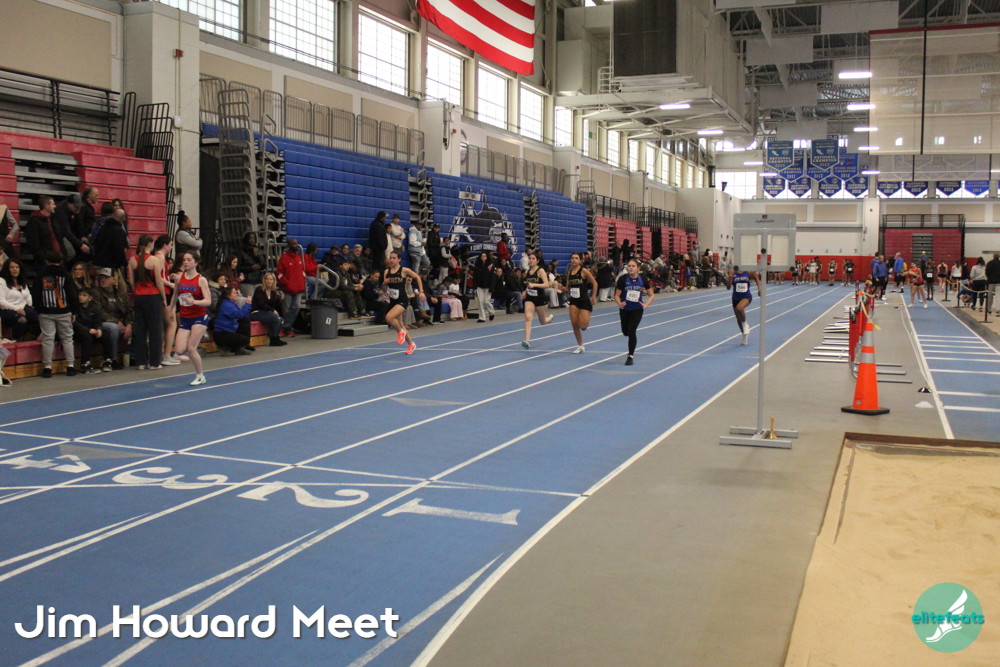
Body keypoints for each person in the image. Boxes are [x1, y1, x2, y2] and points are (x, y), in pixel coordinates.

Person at [30, 251, 77, 377]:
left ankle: (47, 367)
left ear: (46, 261)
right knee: (67, 338)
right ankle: (70, 366)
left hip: (46, 311)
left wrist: (38, 309)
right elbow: (71, 294)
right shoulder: (65, 275)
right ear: (60, 261)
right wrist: (74, 311)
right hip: (63, 311)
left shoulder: (42, 275)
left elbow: (36, 293)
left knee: (48, 339)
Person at [127, 234, 169, 370]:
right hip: (153, 297)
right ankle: (154, 362)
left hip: (139, 297)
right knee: (155, 329)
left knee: (140, 330)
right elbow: (159, 281)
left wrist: (137, 291)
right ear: (150, 244)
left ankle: (141, 361)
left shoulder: (132, 260)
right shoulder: (154, 260)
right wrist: (163, 297)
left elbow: (131, 281)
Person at [174, 251, 211, 385]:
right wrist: (170, 307)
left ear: (195, 262)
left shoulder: (201, 280)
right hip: (185, 317)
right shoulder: (179, 278)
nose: (185, 262)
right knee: (179, 350)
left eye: (189, 260)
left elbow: (208, 301)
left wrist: (194, 302)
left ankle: (200, 376)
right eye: (184, 260)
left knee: (191, 348)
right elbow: (175, 294)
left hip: (199, 316)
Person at [615, 258, 655, 364]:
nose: (631, 268)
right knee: (626, 332)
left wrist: (646, 305)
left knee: (632, 331)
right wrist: (619, 303)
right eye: (629, 266)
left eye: (633, 266)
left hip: (637, 309)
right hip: (625, 309)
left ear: (638, 268)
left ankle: (630, 356)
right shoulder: (623, 279)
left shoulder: (643, 279)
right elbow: (617, 295)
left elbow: (651, 295)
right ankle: (628, 338)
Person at [382, 251, 423, 355]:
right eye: (390, 258)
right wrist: (384, 283)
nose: (391, 260)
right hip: (393, 300)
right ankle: (411, 344)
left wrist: (421, 292)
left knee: (389, 318)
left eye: (394, 258)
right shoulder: (386, 272)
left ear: (399, 259)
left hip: (402, 300)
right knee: (400, 325)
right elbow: (384, 289)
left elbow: (417, 277)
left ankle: (401, 332)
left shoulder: (404, 270)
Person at [93, 266, 131, 369]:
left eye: (106, 277)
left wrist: (129, 324)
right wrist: (117, 322)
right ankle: (112, 359)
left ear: (113, 280)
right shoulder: (96, 293)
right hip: (102, 322)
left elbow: (128, 311)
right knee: (114, 328)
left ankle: (134, 355)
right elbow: (100, 312)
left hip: (120, 322)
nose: (103, 280)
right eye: (101, 278)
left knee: (138, 325)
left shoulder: (120, 293)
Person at [562, 252, 598, 354]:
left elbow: (595, 283)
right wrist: (561, 288)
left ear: (580, 260)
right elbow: (567, 288)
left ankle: (586, 317)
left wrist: (593, 297)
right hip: (573, 301)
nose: (574, 260)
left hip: (584, 301)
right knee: (574, 324)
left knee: (583, 327)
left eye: (576, 258)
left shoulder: (584, 271)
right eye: (572, 258)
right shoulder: (569, 273)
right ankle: (580, 345)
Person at [73, 288, 112, 374]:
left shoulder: (94, 308)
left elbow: (98, 321)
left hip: (92, 330)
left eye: (84, 295)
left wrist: (99, 329)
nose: (81, 297)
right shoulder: (75, 308)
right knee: (87, 337)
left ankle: (108, 361)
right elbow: (75, 323)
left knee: (106, 334)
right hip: (79, 332)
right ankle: (85, 364)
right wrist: (88, 330)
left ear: (90, 298)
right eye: (80, 295)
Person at [520, 252, 554, 349]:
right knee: (528, 317)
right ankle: (527, 341)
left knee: (542, 321)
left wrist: (534, 285)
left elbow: (546, 284)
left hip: (540, 298)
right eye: (530, 258)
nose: (531, 260)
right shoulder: (527, 272)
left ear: (537, 261)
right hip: (530, 298)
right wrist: (525, 291)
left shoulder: (540, 271)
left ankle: (550, 318)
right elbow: (528, 285)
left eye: (533, 258)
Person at [0, 258, 37, 341]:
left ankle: (29, 337)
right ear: (7, 269)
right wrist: (16, 308)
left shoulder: (21, 281)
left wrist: (30, 306)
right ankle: (16, 340)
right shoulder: (1, 281)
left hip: (22, 307)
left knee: (37, 316)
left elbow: (28, 296)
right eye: (12, 267)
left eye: (17, 267)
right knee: (21, 319)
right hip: (6, 309)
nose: (15, 269)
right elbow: (1, 301)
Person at [24, 196, 64, 271]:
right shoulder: (34, 221)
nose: (55, 206)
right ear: (46, 206)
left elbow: (58, 238)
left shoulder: (53, 219)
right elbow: (34, 243)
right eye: (53, 204)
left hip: (58, 258)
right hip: (44, 260)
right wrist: (43, 258)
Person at [276, 239, 306, 335]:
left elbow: (302, 272)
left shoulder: (299, 257)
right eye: (294, 243)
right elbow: (279, 273)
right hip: (287, 289)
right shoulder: (284, 258)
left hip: (298, 288)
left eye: (296, 243)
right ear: (289, 245)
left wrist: (302, 282)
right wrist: (286, 283)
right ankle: (288, 329)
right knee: (286, 309)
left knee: (296, 307)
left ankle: (285, 327)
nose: (296, 245)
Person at [214, 285, 253, 356]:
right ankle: (225, 347)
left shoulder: (230, 303)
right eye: (234, 293)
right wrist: (247, 304)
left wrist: (247, 306)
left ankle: (237, 349)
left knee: (245, 321)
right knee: (244, 339)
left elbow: (242, 315)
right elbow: (238, 314)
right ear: (228, 295)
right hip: (222, 333)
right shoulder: (227, 305)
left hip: (228, 330)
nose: (236, 294)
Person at [250, 272, 287, 347]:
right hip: (256, 312)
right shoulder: (259, 289)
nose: (269, 281)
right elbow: (261, 304)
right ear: (264, 280)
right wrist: (273, 311)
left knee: (280, 319)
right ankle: (273, 339)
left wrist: (279, 299)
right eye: (267, 279)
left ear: (274, 281)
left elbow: (273, 305)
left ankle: (276, 338)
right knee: (275, 319)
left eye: (271, 279)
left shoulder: (273, 292)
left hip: (266, 312)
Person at [729, 264, 760, 346]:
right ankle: (744, 335)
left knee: (740, 308)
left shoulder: (748, 271)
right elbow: (728, 287)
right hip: (735, 298)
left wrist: (759, 289)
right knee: (738, 319)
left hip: (746, 296)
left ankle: (745, 324)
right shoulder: (733, 272)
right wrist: (730, 278)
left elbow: (756, 278)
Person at [473, 251, 495, 322]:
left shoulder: (490, 265)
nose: (483, 257)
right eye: (482, 256)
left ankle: (491, 312)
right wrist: (474, 287)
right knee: (480, 302)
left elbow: (492, 277)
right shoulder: (477, 265)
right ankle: (482, 317)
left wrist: (491, 288)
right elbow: (475, 277)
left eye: (485, 256)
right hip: (479, 286)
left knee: (486, 301)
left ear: (487, 257)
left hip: (488, 286)